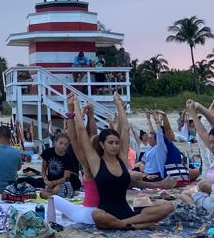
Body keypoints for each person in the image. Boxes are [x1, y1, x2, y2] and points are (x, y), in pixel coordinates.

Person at [73, 95, 174, 230]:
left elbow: (125, 128)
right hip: (106, 214)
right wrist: (75, 105)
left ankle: (126, 224)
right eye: (110, 143)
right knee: (97, 215)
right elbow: (81, 131)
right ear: (102, 145)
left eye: (116, 143)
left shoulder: (121, 158)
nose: (114, 146)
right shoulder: (96, 162)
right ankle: (134, 225)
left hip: (126, 212)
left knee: (168, 206)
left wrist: (119, 104)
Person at [179, 100, 214, 222]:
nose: (211, 146)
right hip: (213, 200)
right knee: (185, 194)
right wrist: (192, 112)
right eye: (210, 143)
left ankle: (203, 212)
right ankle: (201, 212)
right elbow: (202, 132)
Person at [38, 133, 81, 197]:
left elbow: (65, 178)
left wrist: (52, 183)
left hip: (65, 182)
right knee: (41, 192)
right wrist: (45, 179)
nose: (63, 146)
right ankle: (58, 197)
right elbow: (43, 170)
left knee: (56, 190)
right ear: (55, 142)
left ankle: (57, 196)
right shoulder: (47, 152)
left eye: (66, 144)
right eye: (60, 143)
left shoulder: (69, 157)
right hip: (51, 181)